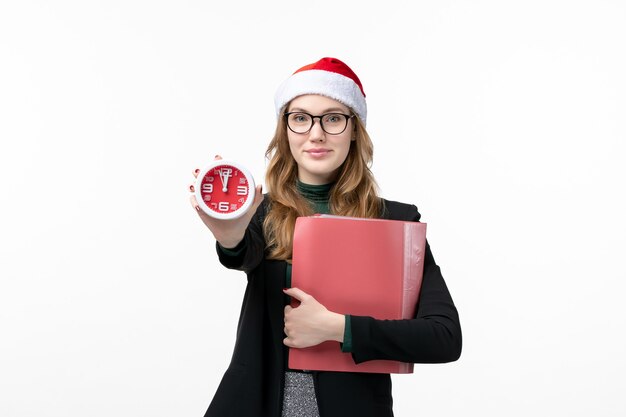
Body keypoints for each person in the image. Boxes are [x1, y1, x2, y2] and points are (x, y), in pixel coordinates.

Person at [189, 57, 462, 417]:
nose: (316, 133)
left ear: (354, 129)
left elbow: (444, 338)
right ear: (285, 130)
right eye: (300, 118)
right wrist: (229, 233)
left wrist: (339, 327)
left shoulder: (395, 223)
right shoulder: (259, 213)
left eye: (332, 118)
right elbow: (239, 252)